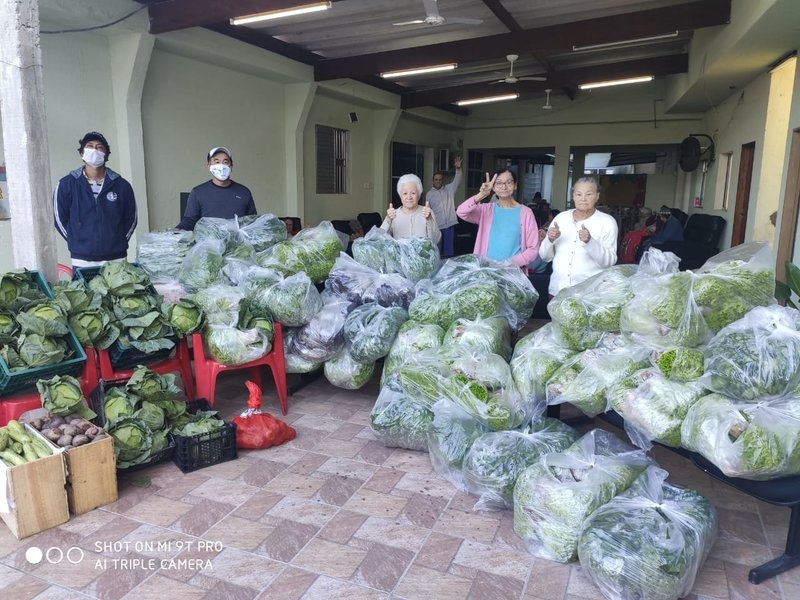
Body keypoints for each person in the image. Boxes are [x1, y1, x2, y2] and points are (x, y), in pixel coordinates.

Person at [53, 131, 138, 267]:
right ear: (82, 153)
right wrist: (76, 242)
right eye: (90, 146)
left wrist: (119, 241)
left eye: (99, 147)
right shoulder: (66, 184)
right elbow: (59, 218)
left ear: (106, 154)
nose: (94, 150)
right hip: (82, 260)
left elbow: (131, 218)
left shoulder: (121, 185)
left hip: (117, 259)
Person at [538, 176, 618, 296]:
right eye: (579, 194)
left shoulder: (607, 222)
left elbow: (609, 262)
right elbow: (545, 256)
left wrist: (590, 241)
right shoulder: (561, 218)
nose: (583, 199)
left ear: (597, 196)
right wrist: (550, 239)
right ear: (573, 196)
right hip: (558, 291)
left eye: (589, 194)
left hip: (589, 294)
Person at [455, 169, 539, 268]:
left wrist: (510, 263)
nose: (504, 186)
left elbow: (533, 249)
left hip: (513, 272)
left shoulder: (526, 213)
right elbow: (461, 212)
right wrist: (481, 195)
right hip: (486, 270)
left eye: (509, 182)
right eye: (499, 183)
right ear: (493, 188)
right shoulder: (485, 210)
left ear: (515, 185)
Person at [176, 146, 256, 230]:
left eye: (225, 162)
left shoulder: (244, 192)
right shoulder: (198, 192)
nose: (221, 166)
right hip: (208, 242)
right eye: (216, 162)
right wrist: (175, 232)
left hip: (237, 242)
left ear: (231, 165)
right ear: (209, 166)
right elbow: (189, 221)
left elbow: (253, 223)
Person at [381, 174, 441, 243]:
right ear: (400, 195)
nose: (409, 197)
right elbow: (379, 239)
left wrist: (429, 220)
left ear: (419, 195)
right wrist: (388, 220)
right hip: (400, 253)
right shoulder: (393, 214)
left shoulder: (427, 213)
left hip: (422, 254)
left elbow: (436, 240)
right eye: (405, 193)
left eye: (413, 193)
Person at [425, 156, 462, 257]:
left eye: (440, 179)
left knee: (449, 253)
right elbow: (428, 211)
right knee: (437, 252)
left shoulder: (449, 189)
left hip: (449, 225)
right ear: (433, 181)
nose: (438, 181)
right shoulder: (429, 194)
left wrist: (458, 169)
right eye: (436, 179)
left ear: (442, 180)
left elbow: (457, 180)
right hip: (437, 226)